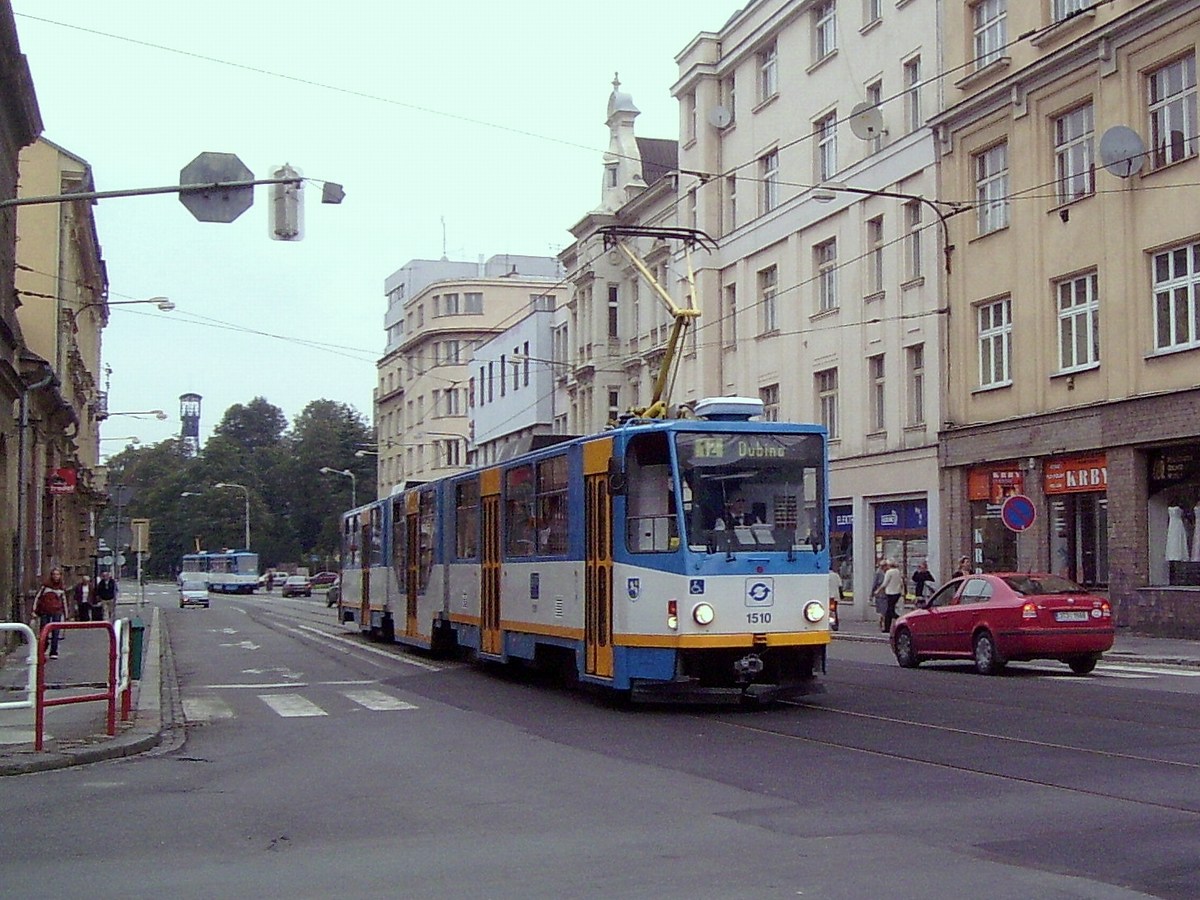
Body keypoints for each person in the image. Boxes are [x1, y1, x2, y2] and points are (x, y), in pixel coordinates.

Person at [33, 567, 69, 658]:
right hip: (45, 611)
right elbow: (38, 598)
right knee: (44, 630)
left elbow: (64, 601)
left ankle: (54, 652)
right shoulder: (45, 587)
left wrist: (66, 614)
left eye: (58, 574)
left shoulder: (61, 588)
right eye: (54, 574)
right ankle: (43, 648)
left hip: (57, 611)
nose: (56, 576)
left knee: (55, 632)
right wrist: (34, 610)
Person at [875, 558, 904, 633]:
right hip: (897, 593)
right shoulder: (897, 571)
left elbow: (885, 583)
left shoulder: (889, 572)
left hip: (890, 593)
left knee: (890, 611)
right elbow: (901, 582)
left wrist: (878, 590)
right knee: (889, 611)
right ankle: (887, 628)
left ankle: (901, 619)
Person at [827, 564, 842, 632]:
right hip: (835, 596)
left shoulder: (826, 576)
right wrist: (841, 595)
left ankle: (831, 624)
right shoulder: (836, 575)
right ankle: (835, 624)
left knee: (828, 611)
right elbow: (840, 586)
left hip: (827, 596)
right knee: (834, 611)